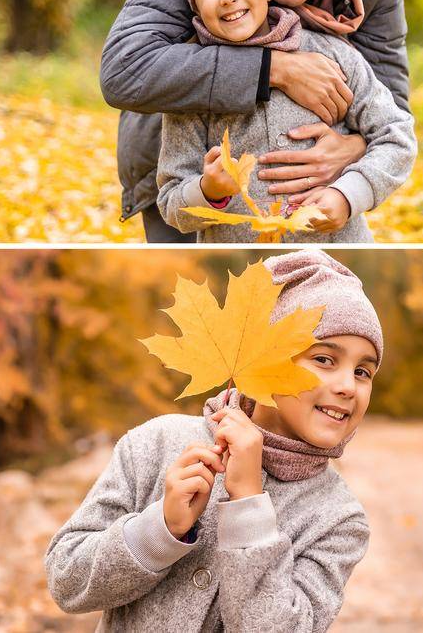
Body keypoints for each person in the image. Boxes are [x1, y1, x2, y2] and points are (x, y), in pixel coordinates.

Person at [46, 251, 381, 630]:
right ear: (264, 357)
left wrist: (250, 507)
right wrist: (161, 529)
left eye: (363, 371)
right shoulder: (154, 444)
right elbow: (66, 582)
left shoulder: (338, 518)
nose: (347, 387)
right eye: (323, 359)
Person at [100, 0, 410, 243]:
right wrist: (275, 68)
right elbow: (125, 70)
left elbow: (392, 111)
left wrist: (354, 151)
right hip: (186, 166)